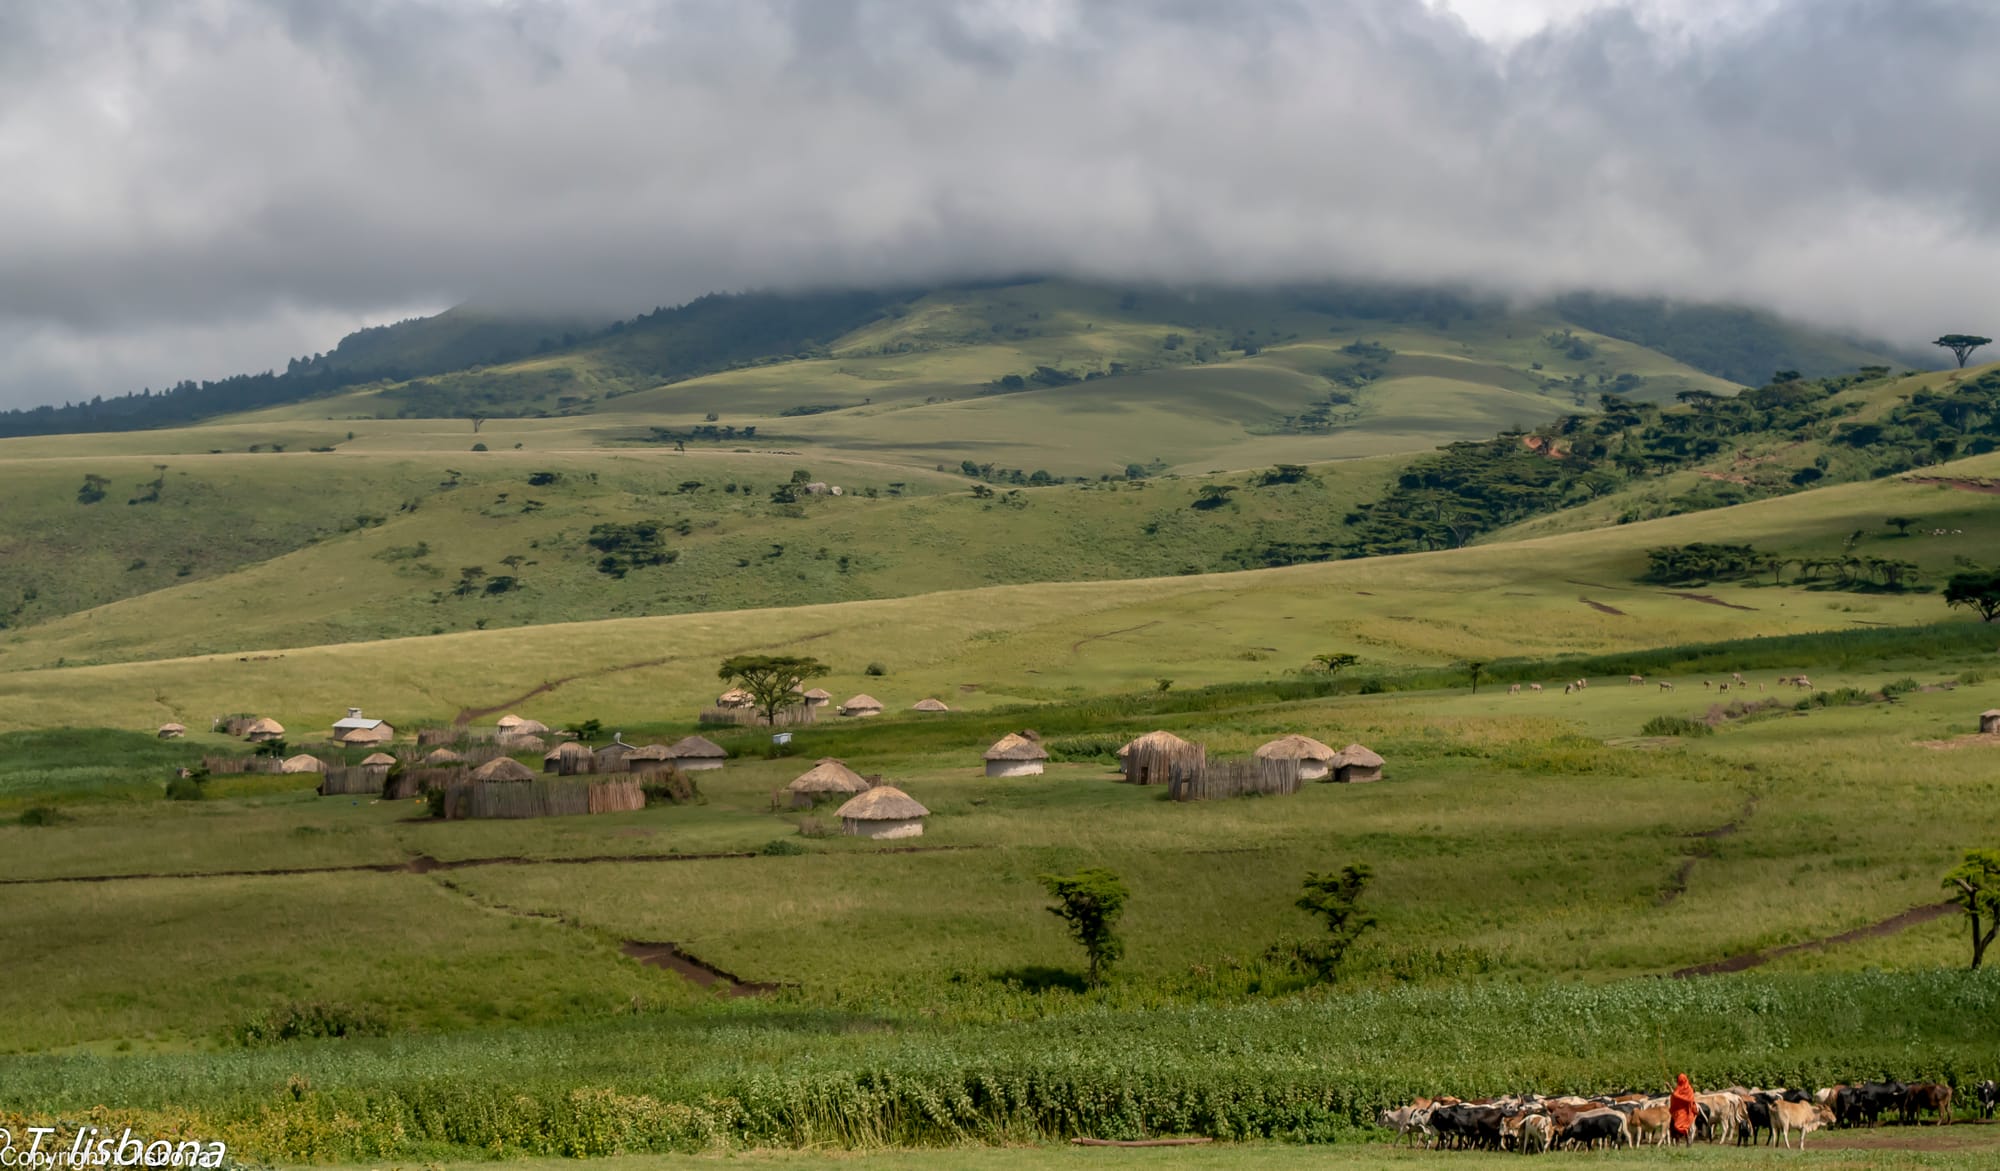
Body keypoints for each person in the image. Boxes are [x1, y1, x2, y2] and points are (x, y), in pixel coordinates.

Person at [1669, 1073, 1698, 1145]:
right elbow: (1674, 1096)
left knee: (1678, 1126)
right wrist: (1670, 1088)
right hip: (1677, 1111)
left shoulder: (1689, 1089)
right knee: (1675, 1127)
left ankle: (1688, 1140)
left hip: (1685, 1111)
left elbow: (1689, 1100)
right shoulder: (1678, 1088)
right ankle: (1678, 1142)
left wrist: (1674, 1093)